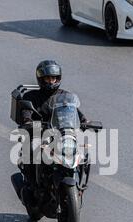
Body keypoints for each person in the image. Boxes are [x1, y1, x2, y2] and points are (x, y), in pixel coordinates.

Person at [19, 60, 87, 201]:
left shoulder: (65, 95)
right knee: (32, 149)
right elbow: (26, 114)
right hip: (40, 133)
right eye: (48, 78)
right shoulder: (31, 97)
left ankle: (79, 185)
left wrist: (86, 122)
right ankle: (32, 185)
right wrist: (28, 122)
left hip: (62, 134)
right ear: (41, 79)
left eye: (54, 78)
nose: (51, 81)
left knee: (84, 152)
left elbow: (76, 113)